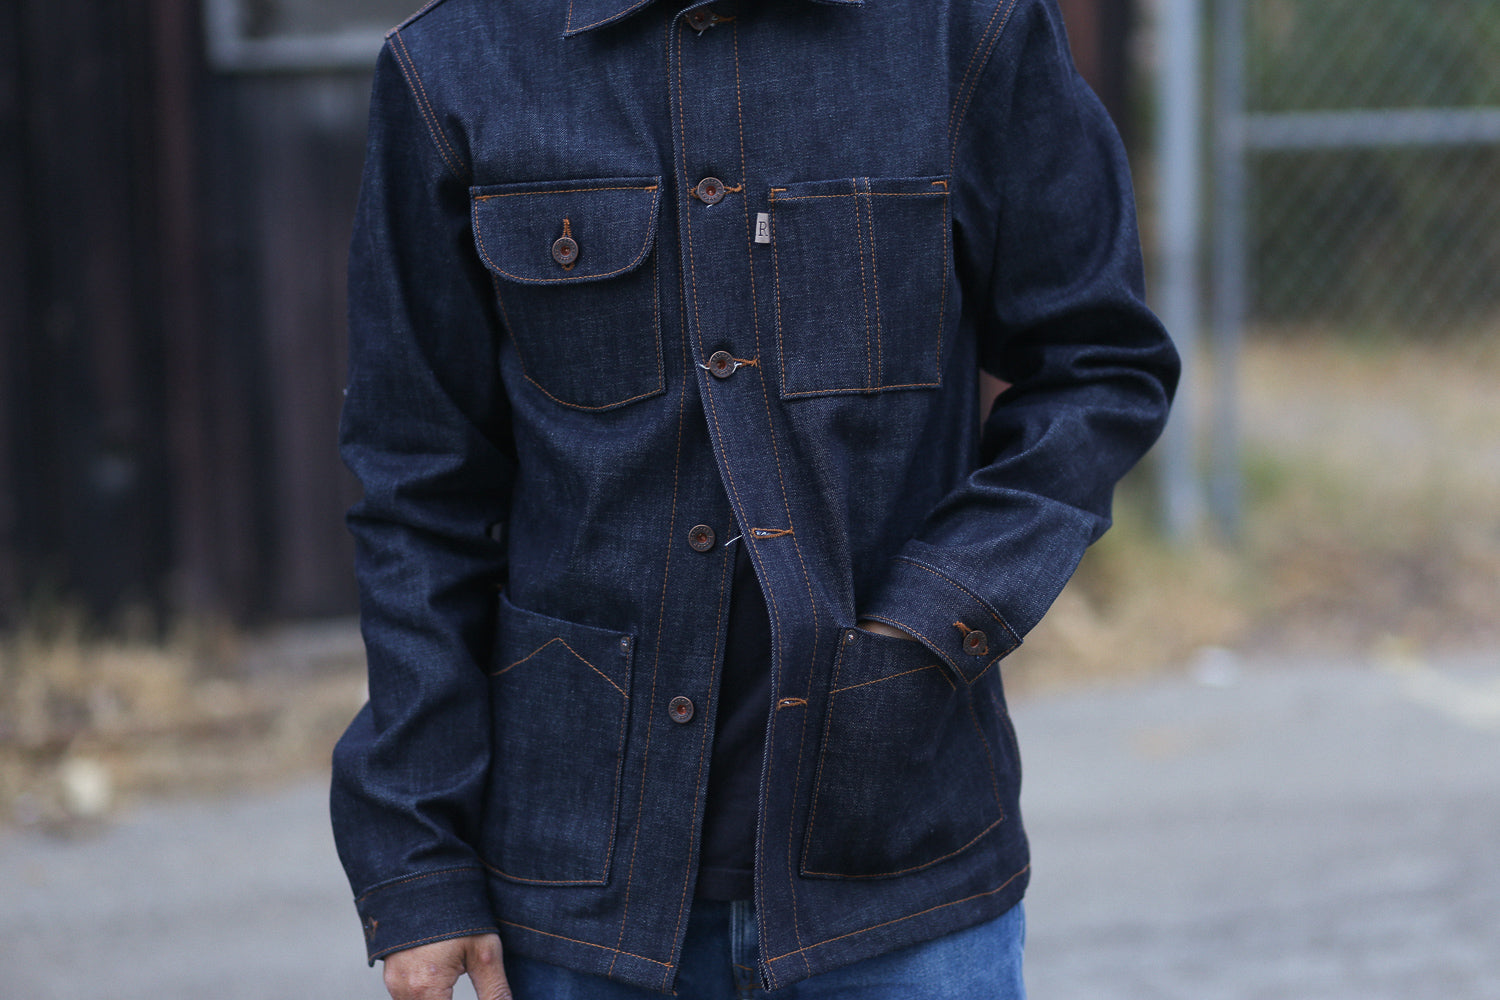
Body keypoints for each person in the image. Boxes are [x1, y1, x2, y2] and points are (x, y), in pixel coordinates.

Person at [331, 0, 1179, 996]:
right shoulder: (456, 63)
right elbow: (417, 488)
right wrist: (420, 865)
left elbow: (1100, 366)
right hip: (574, 902)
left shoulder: (966, 27)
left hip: (904, 869)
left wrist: (938, 614)